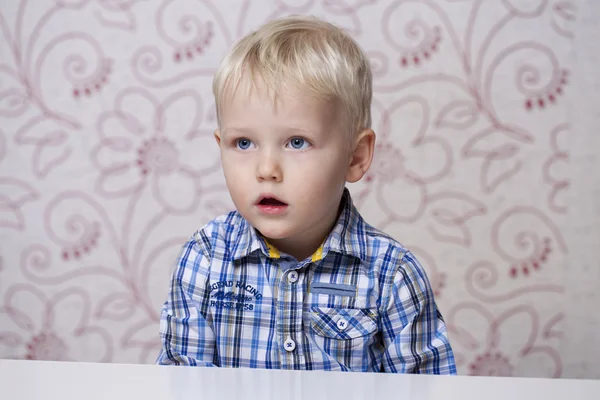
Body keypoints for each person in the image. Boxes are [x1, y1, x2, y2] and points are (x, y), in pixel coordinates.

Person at [156, 15, 456, 374]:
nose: (266, 169)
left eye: (297, 142)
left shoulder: (390, 276)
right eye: (244, 143)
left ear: (355, 156)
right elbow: (181, 381)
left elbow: (426, 390)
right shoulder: (205, 259)